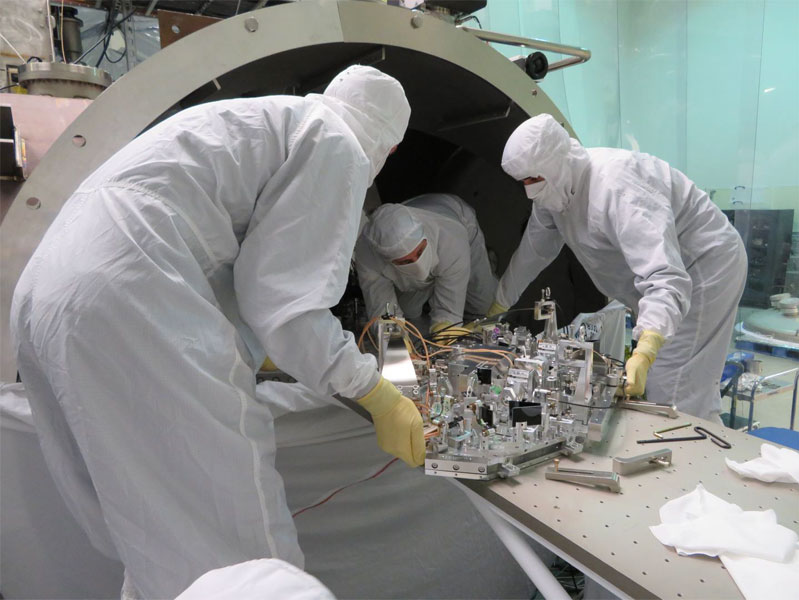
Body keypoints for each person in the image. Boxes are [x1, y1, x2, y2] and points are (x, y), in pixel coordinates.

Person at [10, 65, 424, 598]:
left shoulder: (267, 120)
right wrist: (374, 390)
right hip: (130, 289)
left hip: (48, 286)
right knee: (242, 553)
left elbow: (233, 268)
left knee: (153, 528)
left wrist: (267, 351)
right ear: (388, 147)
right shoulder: (338, 142)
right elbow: (285, 305)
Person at [491, 113, 746, 422]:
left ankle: (701, 463)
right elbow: (534, 250)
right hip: (663, 279)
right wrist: (498, 304)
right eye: (523, 183)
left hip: (703, 268)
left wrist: (647, 348)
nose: (529, 191)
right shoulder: (556, 187)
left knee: (676, 392)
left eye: (534, 180)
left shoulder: (617, 187)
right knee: (669, 381)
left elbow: (666, 276)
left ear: (556, 163)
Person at [354, 193, 498, 339]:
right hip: (426, 261)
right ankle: (432, 292)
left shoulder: (452, 239)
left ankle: (485, 262)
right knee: (408, 311)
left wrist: (444, 327)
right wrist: (394, 342)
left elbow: (449, 311)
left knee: (483, 304)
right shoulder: (367, 254)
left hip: (457, 221)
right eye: (406, 262)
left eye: (420, 251)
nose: (417, 264)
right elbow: (382, 309)